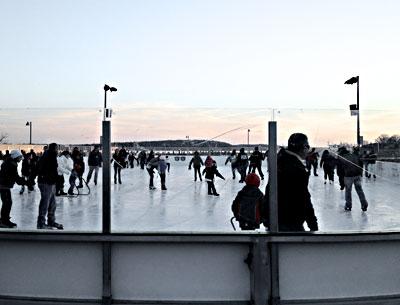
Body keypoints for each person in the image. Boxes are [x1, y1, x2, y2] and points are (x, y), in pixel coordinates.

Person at [264, 133, 318, 232]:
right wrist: (313, 224)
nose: (308, 150)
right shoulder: (296, 168)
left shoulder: (281, 159)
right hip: (290, 221)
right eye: (307, 146)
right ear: (302, 147)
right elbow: (303, 197)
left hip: (274, 219)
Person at [36, 143, 63, 229]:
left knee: (52, 203)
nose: (57, 150)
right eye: (56, 148)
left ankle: (51, 221)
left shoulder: (51, 156)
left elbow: (53, 170)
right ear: (53, 148)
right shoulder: (47, 156)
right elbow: (40, 168)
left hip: (50, 182)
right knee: (45, 203)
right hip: (45, 183)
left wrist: (56, 181)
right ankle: (41, 223)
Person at [0, 150, 25, 228]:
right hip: (4, 186)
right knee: (7, 203)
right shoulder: (10, 165)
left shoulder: (10, 163)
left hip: (5, 186)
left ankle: (5, 219)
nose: (21, 159)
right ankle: (4, 221)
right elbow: (15, 177)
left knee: (7, 203)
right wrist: (26, 182)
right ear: (15, 157)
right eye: (20, 157)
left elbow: (14, 177)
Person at [340, 147, 368, 212]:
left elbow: (340, 168)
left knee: (348, 191)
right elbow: (361, 164)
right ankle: (364, 204)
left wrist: (342, 176)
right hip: (357, 175)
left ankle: (348, 205)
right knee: (359, 190)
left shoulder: (342, 158)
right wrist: (360, 173)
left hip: (348, 176)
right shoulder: (355, 155)